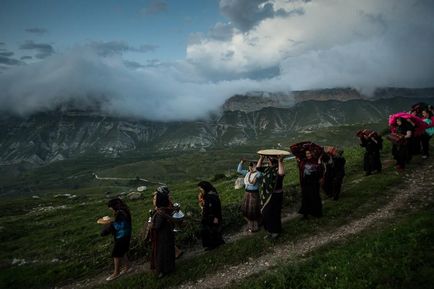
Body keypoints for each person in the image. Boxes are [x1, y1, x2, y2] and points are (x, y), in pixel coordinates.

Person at [101, 198, 132, 281]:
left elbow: (119, 224)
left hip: (121, 235)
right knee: (123, 251)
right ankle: (127, 267)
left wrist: (108, 223)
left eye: (110, 207)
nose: (110, 209)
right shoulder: (124, 211)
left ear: (114, 206)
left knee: (116, 254)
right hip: (126, 234)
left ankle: (116, 272)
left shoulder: (120, 213)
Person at [256, 154, 285, 239]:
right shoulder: (268, 169)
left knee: (274, 213)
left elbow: (281, 174)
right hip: (266, 195)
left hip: (275, 195)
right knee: (266, 213)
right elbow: (258, 168)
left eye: (269, 159)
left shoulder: (277, 169)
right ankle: (269, 230)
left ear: (272, 161)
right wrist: (261, 158)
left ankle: (275, 231)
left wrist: (280, 161)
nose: (268, 161)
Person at [150, 187, 176, 278]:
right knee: (169, 250)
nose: (153, 200)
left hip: (162, 236)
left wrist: (151, 224)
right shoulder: (166, 209)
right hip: (168, 233)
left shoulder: (160, 212)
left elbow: (157, 226)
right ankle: (170, 267)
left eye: (155, 199)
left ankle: (163, 270)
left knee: (162, 253)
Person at [197, 181, 225, 250]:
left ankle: (214, 244)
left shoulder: (212, 196)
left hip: (213, 216)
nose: (200, 190)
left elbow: (216, 207)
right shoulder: (207, 195)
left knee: (212, 230)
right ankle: (213, 244)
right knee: (209, 230)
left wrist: (216, 217)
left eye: (201, 189)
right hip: (208, 216)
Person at [237, 160, 262, 233]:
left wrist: (257, 169)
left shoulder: (258, 174)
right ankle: (250, 225)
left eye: (253, 166)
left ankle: (255, 226)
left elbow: (260, 175)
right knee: (247, 210)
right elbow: (239, 170)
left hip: (254, 194)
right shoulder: (247, 173)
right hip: (247, 193)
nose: (251, 167)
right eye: (250, 166)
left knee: (253, 210)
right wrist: (241, 162)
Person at [297, 150, 323, 218]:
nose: (308, 155)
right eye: (306, 153)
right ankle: (305, 214)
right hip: (305, 183)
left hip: (314, 183)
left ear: (312, 153)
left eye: (309, 153)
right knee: (305, 198)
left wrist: (319, 162)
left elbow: (320, 172)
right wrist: (298, 161)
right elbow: (301, 168)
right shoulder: (304, 161)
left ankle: (317, 213)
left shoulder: (316, 161)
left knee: (315, 197)